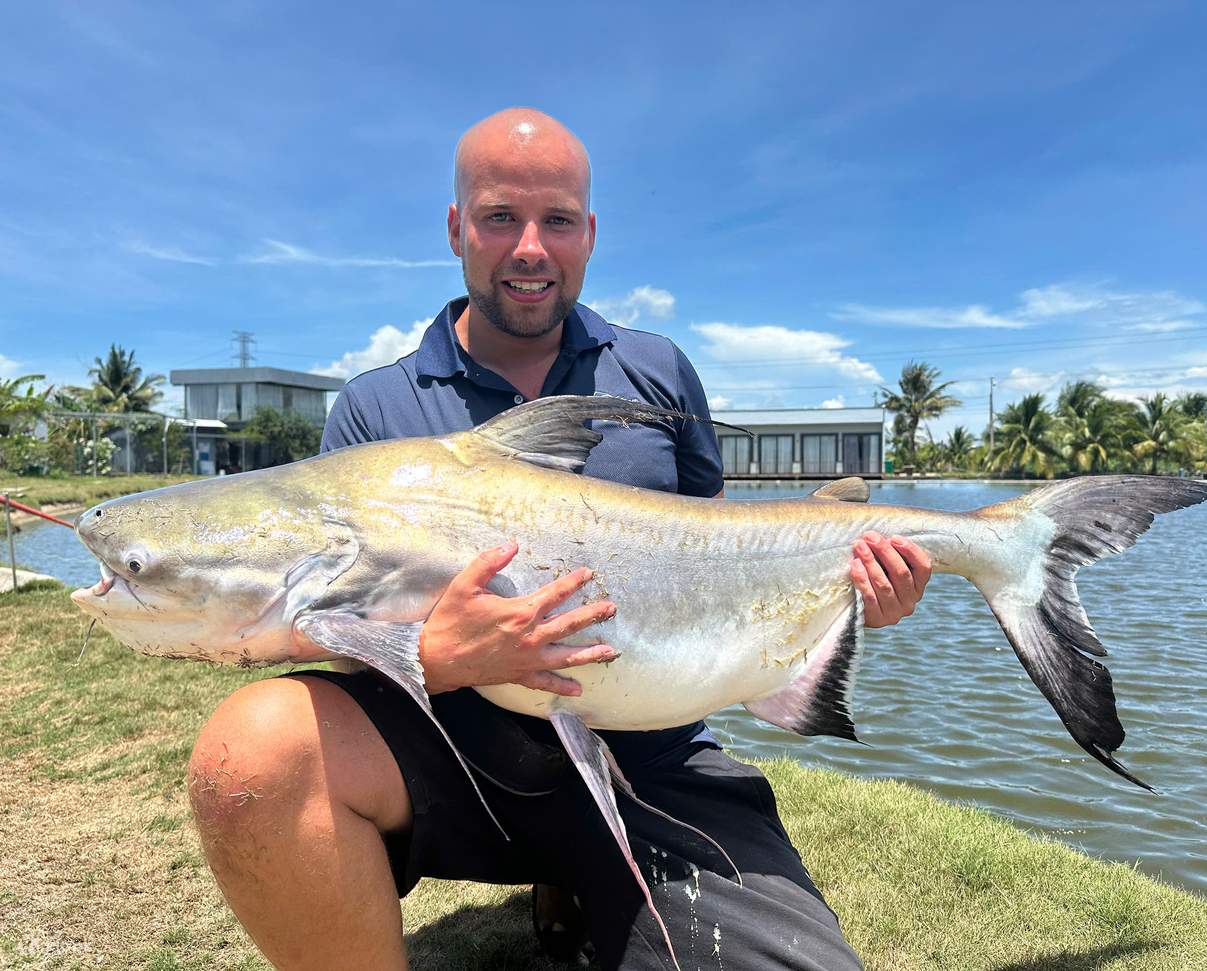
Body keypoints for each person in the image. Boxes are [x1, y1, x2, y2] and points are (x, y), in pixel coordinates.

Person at [187, 108, 932, 971]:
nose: (531, 247)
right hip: (458, 756)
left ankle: (589, 878)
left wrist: (841, 594)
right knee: (253, 751)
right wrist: (436, 655)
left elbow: (727, 553)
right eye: (501, 217)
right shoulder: (375, 412)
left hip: (653, 758)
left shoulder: (657, 370)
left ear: (589, 233)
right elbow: (331, 628)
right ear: (457, 227)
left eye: (558, 221)